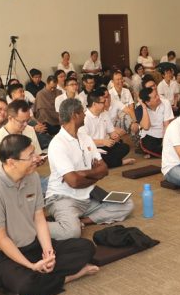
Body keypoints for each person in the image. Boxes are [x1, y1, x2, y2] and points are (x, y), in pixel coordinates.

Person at [0, 135, 98, 295]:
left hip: (32, 245)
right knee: (26, 285)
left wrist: (48, 252)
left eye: (35, 153)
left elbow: (39, 217)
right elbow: (1, 238)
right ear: (12, 162)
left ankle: (42, 280)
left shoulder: (32, 177)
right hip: (4, 255)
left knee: (85, 248)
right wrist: (31, 266)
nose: (37, 159)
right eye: (31, 156)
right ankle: (69, 277)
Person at [46, 99, 134, 240]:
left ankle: (82, 221)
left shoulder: (85, 137)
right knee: (72, 233)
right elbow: (73, 182)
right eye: (82, 112)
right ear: (75, 115)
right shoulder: (58, 144)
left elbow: (104, 169)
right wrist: (94, 175)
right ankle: (34, 225)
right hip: (63, 197)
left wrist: (84, 174)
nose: (85, 114)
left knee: (127, 204)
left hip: (87, 196)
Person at [82, 90, 134, 168]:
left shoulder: (104, 113)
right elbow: (85, 142)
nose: (106, 104)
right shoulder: (85, 118)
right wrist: (103, 141)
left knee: (125, 147)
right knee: (94, 157)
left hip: (105, 145)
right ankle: (120, 162)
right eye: (103, 102)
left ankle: (106, 162)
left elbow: (111, 132)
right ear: (94, 104)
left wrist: (115, 136)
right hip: (92, 148)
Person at [0, 100, 42, 169]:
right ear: (10, 118)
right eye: (22, 121)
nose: (25, 124)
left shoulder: (29, 129)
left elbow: (37, 153)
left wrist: (39, 159)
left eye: (27, 120)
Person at [137, 87, 174, 157]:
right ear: (148, 102)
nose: (158, 97)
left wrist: (164, 143)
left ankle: (155, 153)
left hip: (163, 135)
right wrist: (144, 107)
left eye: (157, 95)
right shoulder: (139, 109)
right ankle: (166, 153)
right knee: (147, 144)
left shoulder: (165, 102)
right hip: (149, 137)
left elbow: (166, 125)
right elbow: (146, 127)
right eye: (155, 97)